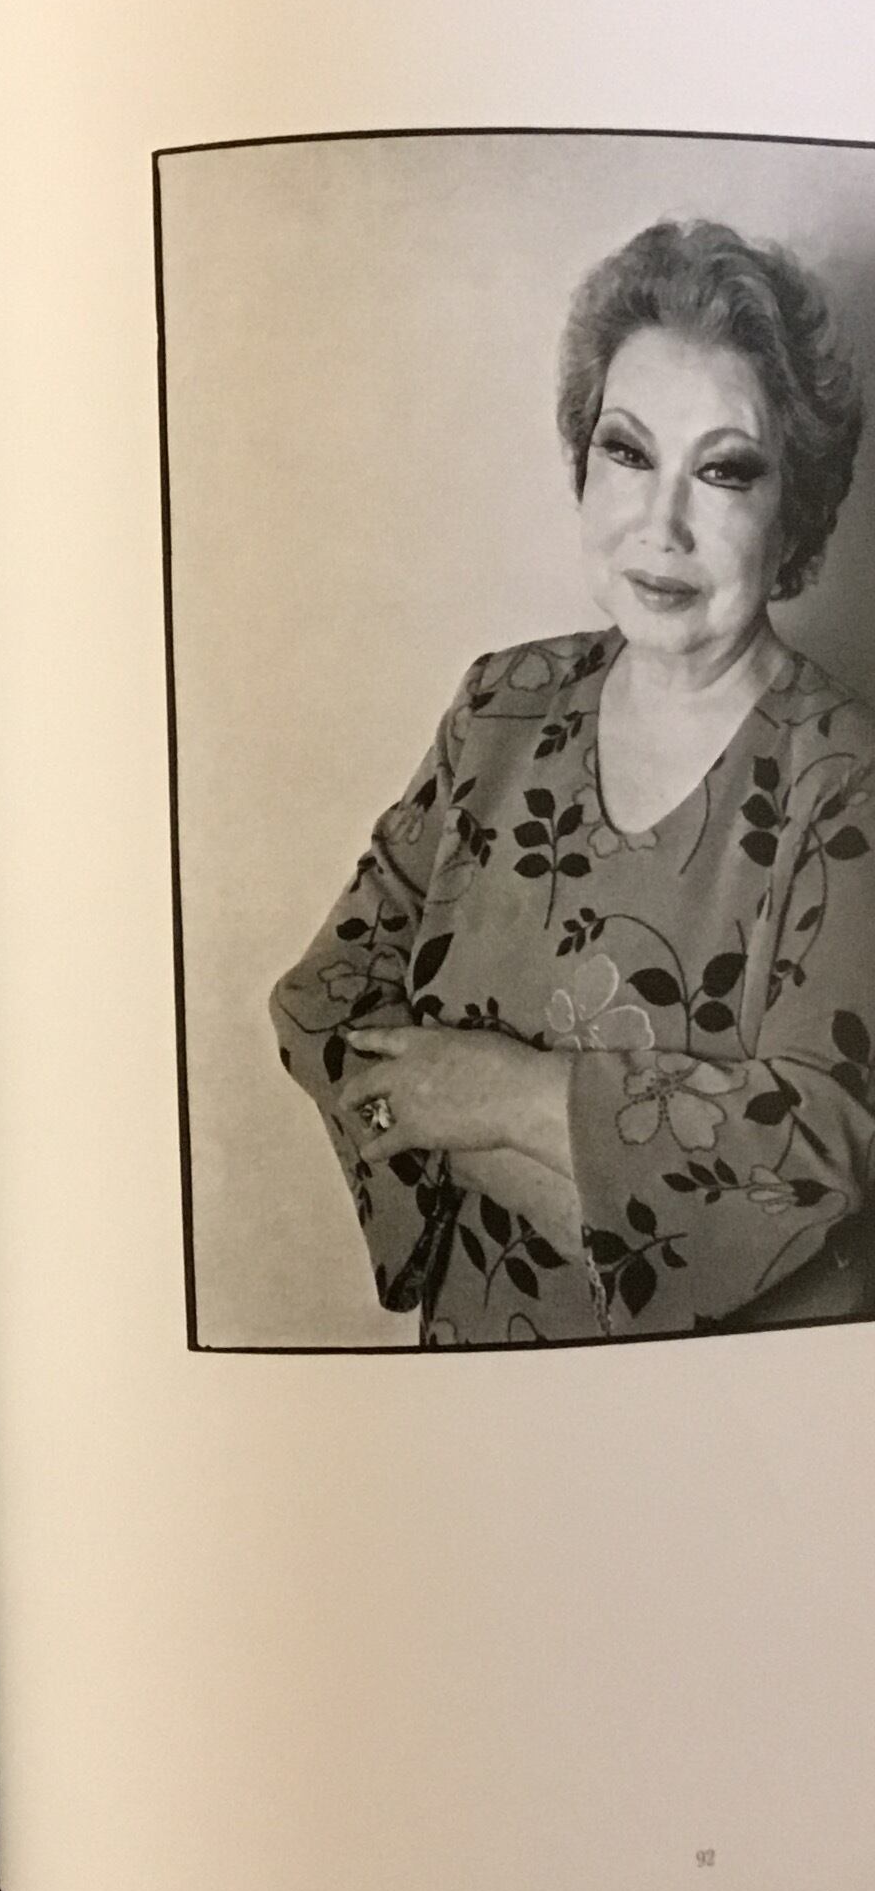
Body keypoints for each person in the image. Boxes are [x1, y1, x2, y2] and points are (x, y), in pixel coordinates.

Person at [272, 217, 875, 1347]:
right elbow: (325, 999)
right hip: (475, 1374)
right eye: (629, 452)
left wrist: (493, 1092)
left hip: (722, 1415)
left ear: (794, 507)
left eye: (725, 470)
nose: (662, 524)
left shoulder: (846, 780)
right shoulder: (499, 706)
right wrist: (595, 1190)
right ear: (582, 463)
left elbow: (815, 1162)